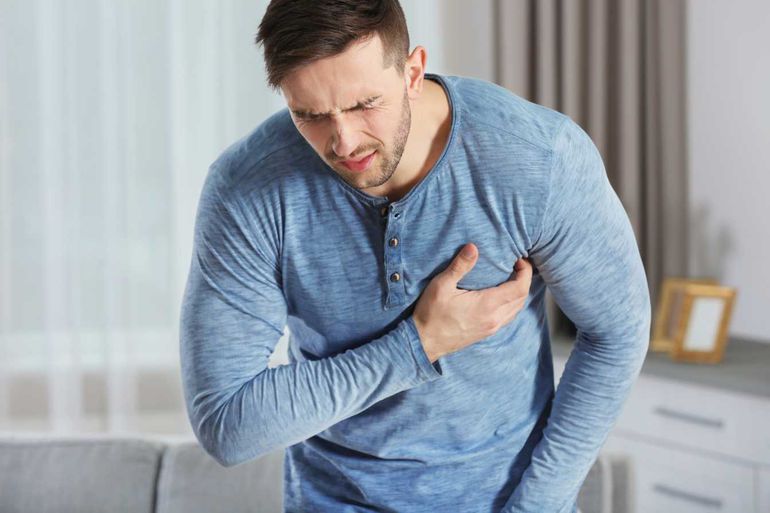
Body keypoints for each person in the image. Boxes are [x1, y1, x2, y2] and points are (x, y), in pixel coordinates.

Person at [179, 1, 651, 512]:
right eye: (310, 115)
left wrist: (537, 505)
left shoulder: (537, 157)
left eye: (364, 104)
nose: (344, 141)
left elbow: (617, 333)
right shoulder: (246, 189)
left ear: (412, 72)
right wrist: (421, 344)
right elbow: (227, 423)